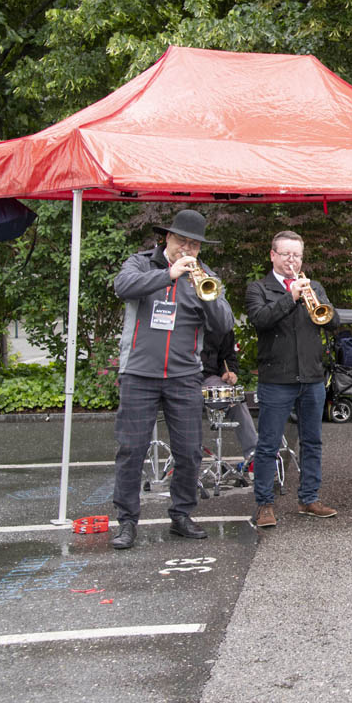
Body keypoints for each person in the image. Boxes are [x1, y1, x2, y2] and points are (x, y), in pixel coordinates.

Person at [109, 209, 233, 550]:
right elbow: (122, 287)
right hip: (139, 373)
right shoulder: (140, 264)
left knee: (190, 451)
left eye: (194, 245)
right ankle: (127, 521)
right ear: (167, 238)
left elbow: (224, 324)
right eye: (182, 242)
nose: (187, 249)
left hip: (184, 375)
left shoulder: (207, 276)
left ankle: (181, 515)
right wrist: (168, 274)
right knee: (131, 449)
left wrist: (206, 295)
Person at [245, 231, 340, 528]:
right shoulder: (258, 288)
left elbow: (334, 322)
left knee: (312, 442)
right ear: (272, 255)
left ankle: (309, 498)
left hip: (311, 376)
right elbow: (261, 320)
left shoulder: (315, 286)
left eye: (297, 255)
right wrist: (291, 297)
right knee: (268, 444)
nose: (292, 260)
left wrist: (315, 299)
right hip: (276, 378)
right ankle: (264, 504)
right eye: (286, 254)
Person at [200, 327, 258, 465]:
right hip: (179, 378)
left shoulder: (220, 324)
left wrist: (229, 372)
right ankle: (186, 460)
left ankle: (254, 457)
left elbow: (228, 357)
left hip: (208, 378)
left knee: (235, 397)